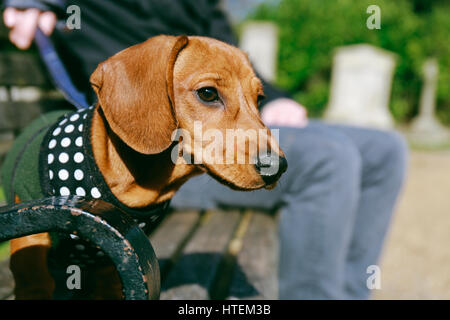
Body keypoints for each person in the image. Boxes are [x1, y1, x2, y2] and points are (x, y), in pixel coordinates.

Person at [2, 0, 407, 299]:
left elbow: (231, 63)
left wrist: (273, 97)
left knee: (385, 149)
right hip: (150, 143)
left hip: (222, 113)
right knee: (328, 158)